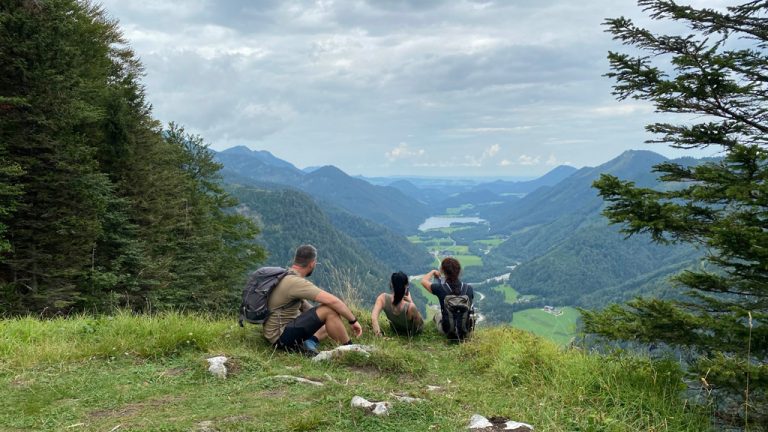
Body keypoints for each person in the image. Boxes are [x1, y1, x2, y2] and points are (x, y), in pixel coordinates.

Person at [263, 244, 363, 354]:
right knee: (329, 310)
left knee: (329, 321)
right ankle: (351, 350)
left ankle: (309, 342)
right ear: (312, 264)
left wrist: (321, 318)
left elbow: (307, 309)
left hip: (275, 331)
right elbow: (333, 301)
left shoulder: (286, 276)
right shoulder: (297, 283)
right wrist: (353, 321)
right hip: (279, 337)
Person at [420, 257, 475, 339]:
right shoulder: (468, 288)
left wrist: (433, 272)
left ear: (443, 271)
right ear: (459, 271)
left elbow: (423, 281)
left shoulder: (440, 288)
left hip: (447, 331)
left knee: (437, 315)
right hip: (465, 331)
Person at [371, 271, 424, 337]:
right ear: (405, 287)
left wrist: (378, 335)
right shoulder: (410, 307)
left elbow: (374, 318)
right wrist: (411, 302)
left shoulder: (383, 298)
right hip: (409, 334)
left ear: (391, 285)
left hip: (395, 330)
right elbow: (419, 325)